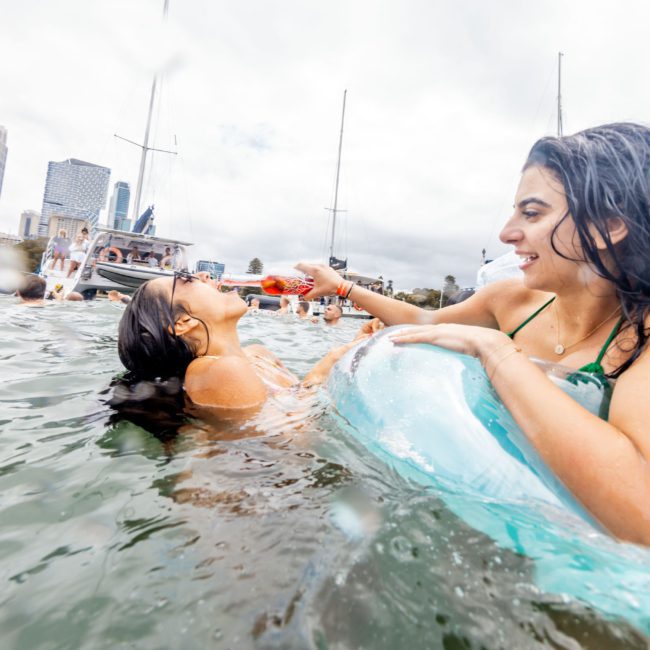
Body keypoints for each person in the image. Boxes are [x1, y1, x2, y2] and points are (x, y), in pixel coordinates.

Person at [298, 123, 650, 546]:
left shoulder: (640, 337)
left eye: (532, 213)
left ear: (606, 227)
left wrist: (499, 354)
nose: (506, 233)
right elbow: (423, 320)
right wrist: (341, 286)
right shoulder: (511, 300)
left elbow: (640, 514)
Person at [118, 272, 365, 411]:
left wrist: (355, 346)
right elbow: (290, 444)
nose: (204, 276)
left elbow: (298, 400)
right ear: (182, 322)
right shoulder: (216, 371)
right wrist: (331, 363)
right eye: (187, 279)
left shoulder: (258, 354)